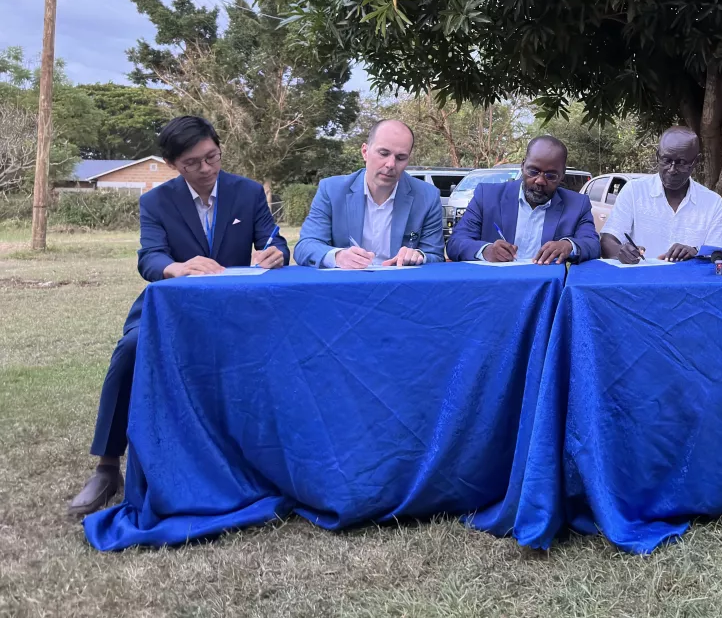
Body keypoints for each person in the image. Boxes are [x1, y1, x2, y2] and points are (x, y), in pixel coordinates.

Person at [68, 116, 289, 518]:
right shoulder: (156, 201)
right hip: (173, 311)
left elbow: (274, 239)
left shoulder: (248, 192)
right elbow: (150, 257)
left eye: (213, 157)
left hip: (235, 312)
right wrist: (177, 268)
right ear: (173, 164)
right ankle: (106, 466)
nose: (206, 169)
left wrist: (277, 252)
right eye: (193, 163)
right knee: (131, 350)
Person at [295, 119, 445, 268]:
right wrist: (338, 256)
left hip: (400, 286)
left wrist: (419, 255)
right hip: (346, 286)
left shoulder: (427, 197)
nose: (391, 164)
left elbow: (435, 255)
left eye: (400, 157)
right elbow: (306, 246)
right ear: (365, 152)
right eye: (383, 153)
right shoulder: (332, 190)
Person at [446, 135, 600, 263]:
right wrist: (486, 251)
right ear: (523, 166)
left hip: (548, 291)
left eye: (551, 176)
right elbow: (455, 243)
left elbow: (593, 245)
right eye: (533, 171)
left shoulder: (577, 204)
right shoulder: (487, 196)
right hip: (494, 288)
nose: (540, 181)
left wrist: (568, 246)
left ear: (562, 176)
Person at [600, 127, 722, 263]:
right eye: (666, 160)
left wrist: (695, 252)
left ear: (696, 162)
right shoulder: (634, 191)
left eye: (681, 163)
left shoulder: (712, 202)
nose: (672, 170)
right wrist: (621, 251)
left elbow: (717, 257)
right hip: (641, 281)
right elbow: (608, 240)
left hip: (689, 282)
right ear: (657, 156)